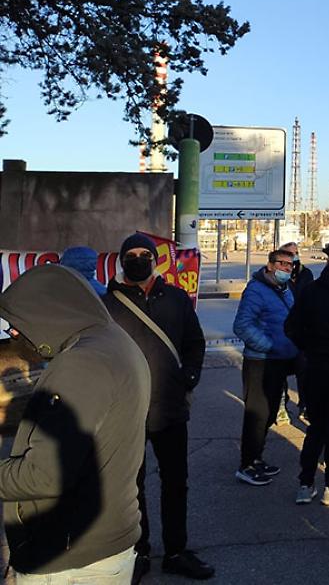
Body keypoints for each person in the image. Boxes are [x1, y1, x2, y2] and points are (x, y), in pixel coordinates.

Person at [0, 265, 150, 583]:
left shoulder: (82, 363)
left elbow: (43, 476)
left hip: (70, 561)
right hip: (97, 544)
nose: (13, 332)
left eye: (16, 323)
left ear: (50, 311)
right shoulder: (111, 339)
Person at [104, 233, 212, 581]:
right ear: (122, 261)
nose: (138, 259)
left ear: (154, 259)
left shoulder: (177, 299)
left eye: (144, 254)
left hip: (169, 408)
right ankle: (138, 550)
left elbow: (194, 342)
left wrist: (189, 376)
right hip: (126, 412)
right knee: (131, 487)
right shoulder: (107, 305)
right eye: (130, 254)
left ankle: (177, 550)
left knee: (176, 482)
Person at [283, 238, 329, 508]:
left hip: (314, 367)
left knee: (316, 427)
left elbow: (291, 327)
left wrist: (309, 348)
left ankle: (305, 483)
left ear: (328, 259)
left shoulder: (311, 290)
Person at [232, 249, 299, 486]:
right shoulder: (256, 290)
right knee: (257, 414)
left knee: (270, 412)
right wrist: (269, 347)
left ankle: (257, 457)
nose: (286, 268)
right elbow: (242, 325)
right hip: (260, 361)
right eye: (282, 264)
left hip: (279, 362)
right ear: (270, 265)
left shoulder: (285, 289)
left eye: (290, 265)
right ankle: (246, 464)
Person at [279, 241, 313, 423]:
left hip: (302, 330)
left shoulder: (305, 274)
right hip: (282, 329)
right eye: (291, 253)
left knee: (304, 369)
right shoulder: (276, 275)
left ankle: (305, 404)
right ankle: (281, 404)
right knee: (281, 369)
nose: (295, 257)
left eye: (297, 253)